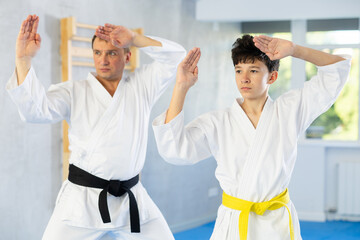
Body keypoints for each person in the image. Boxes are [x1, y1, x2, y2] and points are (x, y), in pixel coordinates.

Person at [152, 34, 351, 240]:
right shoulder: (218, 122)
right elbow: (174, 150)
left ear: (272, 77)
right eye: (238, 70)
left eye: (253, 70)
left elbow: (336, 71)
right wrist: (181, 87)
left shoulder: (289, 111)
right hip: (234, 223)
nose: (244, 78)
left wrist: (293, 49)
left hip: (276, 224)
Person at [6, 14, 186, 240]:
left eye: (112, 53)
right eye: (98, 53)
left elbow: (177, 56)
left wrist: (134, 37)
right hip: (82, 201)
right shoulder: (74, 91)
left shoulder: (142, 86)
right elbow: (35, 111)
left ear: (127, 56)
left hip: (131, 198)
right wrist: (23, 59)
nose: (103, 60)